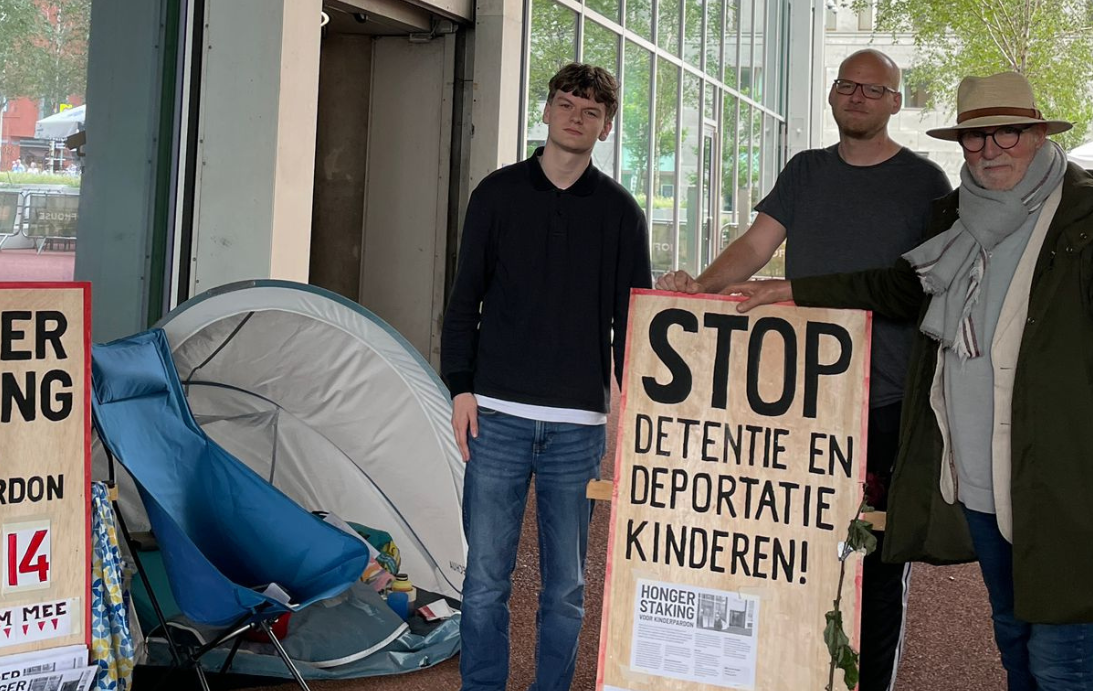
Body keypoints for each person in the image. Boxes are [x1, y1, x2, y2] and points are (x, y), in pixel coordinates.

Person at [726, 71, 1093, 690]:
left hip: (1060, 481)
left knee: (1062, 655)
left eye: (1006, 132)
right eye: (975, 138)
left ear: (1036, 133)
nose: (990, 149)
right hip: (975, 473)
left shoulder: (1082, 216)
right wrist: (787, 290)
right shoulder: (955, 212)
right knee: (1012, 635)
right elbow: (900, 286)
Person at [655, 49, 952, 691]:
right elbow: (757, 244)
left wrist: (796, 289)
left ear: (896, 102)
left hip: (886, 402)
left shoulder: (927, 184)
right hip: (805, 400)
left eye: (874, 89)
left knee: (875, 562)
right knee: (797, 551)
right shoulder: (805, 171)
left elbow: (912, 289)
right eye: (847, 85)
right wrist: (697, 293)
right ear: (832, 95)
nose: (858, 97)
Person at [441, 62, 652, 691]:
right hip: (495, 415)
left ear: (607, 127)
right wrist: (459, 387)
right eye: (566, 104)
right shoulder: (497, 194)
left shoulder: (621, 213)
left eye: (591, 112)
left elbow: (629, 319)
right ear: (546, 111)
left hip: (578, 426)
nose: (576, 118)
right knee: (484, 582)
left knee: (565, 588)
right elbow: (463, 300)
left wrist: (638, 416)